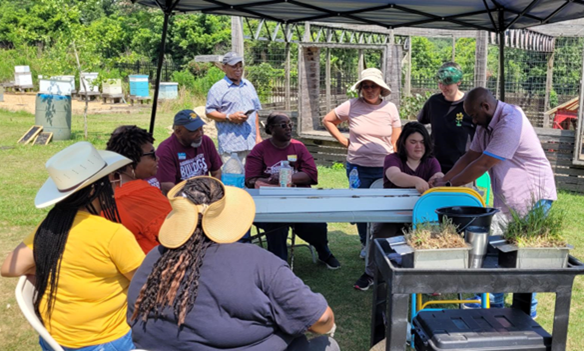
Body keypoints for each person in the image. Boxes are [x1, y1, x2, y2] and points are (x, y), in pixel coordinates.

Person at [128, 176, 340, 351]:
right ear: (227, 217)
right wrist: (328, 327)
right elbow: (321, 319)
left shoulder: (155, 258)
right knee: (328, 345)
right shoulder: (259, 262)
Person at [1, 142, 145, 351]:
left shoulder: (49, 227)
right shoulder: (113, 234)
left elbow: (9, 268)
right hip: (106, 341)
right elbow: (146, 287)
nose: (116, 186)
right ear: (96, 188)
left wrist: (55, 266)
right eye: (112, 180)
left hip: (54, 342)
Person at [431, 87, 557, 315]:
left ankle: (528, 316)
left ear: (485, 106)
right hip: (509, 200)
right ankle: (492, 307)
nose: (471, 120)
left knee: (525, 260)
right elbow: (470, 156)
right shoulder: (485, 124)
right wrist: (444, 178)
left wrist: (450, 185)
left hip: (534, 197)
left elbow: (483, 164)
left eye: (473, 115)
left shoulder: (511, 121)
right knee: (496, 253)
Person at [322, 67, 401, 259]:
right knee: (360, 206)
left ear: (381, 88)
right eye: (366, 86)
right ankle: (365, 244)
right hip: (358, 166)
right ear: (361, 89)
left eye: (374, 86)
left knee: (384, 206)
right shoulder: (351, 105)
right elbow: (328, 120)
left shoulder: (390, 108)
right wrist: (343, 141)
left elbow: (396, 136)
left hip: (384, 167)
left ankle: (381, 242)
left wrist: (393, 156)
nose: (370, 90)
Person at [245, 112, 341, 269]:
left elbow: (311, 174)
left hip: (299, 200)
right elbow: (250, 180)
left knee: (316, 224)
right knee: (276, 224)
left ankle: (324, 252)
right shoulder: (260, 149)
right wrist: (270, 182)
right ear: (270, 128)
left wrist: (287, 178)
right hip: (270, 204)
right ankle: (279, 266)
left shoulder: (299, 147)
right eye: (283, 125)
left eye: (290, 125)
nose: (288, 128)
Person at [354, 122, 443, 291]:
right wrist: (416, 180)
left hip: (420, 217)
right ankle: (371, 274)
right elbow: (394, 176)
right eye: (413, 142)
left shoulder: (432, 162)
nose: (418, 146)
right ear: (403, 143)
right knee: (380, 236)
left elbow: (439, 177)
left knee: (432, 237)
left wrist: (438, 180)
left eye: (422, 142)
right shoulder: (392, 159)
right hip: (391, 215)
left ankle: (428, 278)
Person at [106, 125, 172, 253]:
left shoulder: (102, 188)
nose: (157, 158)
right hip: (147, 265)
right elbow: (176, 228)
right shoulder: (142, 193)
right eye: (152, 154)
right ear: (131, 162)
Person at [418, 62, 476, 174]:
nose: (443, 87)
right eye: (440, 83)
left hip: (462, 166)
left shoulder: (470, 104)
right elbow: (420, 125)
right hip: (435, 165)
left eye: (447, 84)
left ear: (459, 82)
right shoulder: (433, 102)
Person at [206, 51, 263, 164]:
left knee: (252, 179)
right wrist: (229, 117)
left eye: (240, 66)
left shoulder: (248, 85)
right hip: (232, 146)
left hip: (251, 144)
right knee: (233, 179)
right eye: (234, 66)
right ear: (224, 67)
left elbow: (255, 112)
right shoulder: (217, 88)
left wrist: (258, 136)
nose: (238, 69)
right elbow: (209, 112)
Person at [156, 109, 223, 194]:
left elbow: (217, 171)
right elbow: (167, 187)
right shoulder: (166, 150)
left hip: (205, 194)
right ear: (178, 132)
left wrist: (213, 191)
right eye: (194, 131)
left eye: (201, 129)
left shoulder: (206, 142)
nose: (200, 133)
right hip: (180, 199)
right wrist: (192, 198)